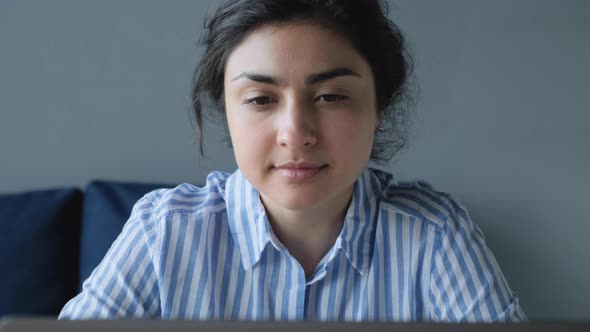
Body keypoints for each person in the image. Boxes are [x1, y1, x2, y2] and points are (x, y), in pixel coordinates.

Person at [59, 0, 525, 322]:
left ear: (378, 107)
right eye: (261, 99)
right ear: (227, 109)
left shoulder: (435, 235)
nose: (296, 134)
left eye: (331, 95)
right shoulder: (163, 233)